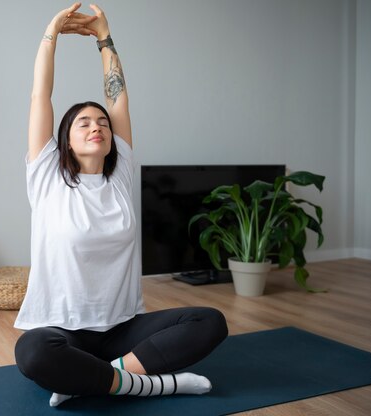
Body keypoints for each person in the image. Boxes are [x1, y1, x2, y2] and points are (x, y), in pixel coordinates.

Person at [14, 3, 228, 407]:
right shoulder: (46, 177)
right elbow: (40, 95)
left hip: (122, 331)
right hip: (64, 333)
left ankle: (97, 378)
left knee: (210, 322)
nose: (97, 126)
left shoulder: (122, 174)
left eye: (103, 123)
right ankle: (158, 384)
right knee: (33, 354)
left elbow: (119, 99)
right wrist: (50, 35)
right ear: (65, 140)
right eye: (84, 123)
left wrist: (104, 37)